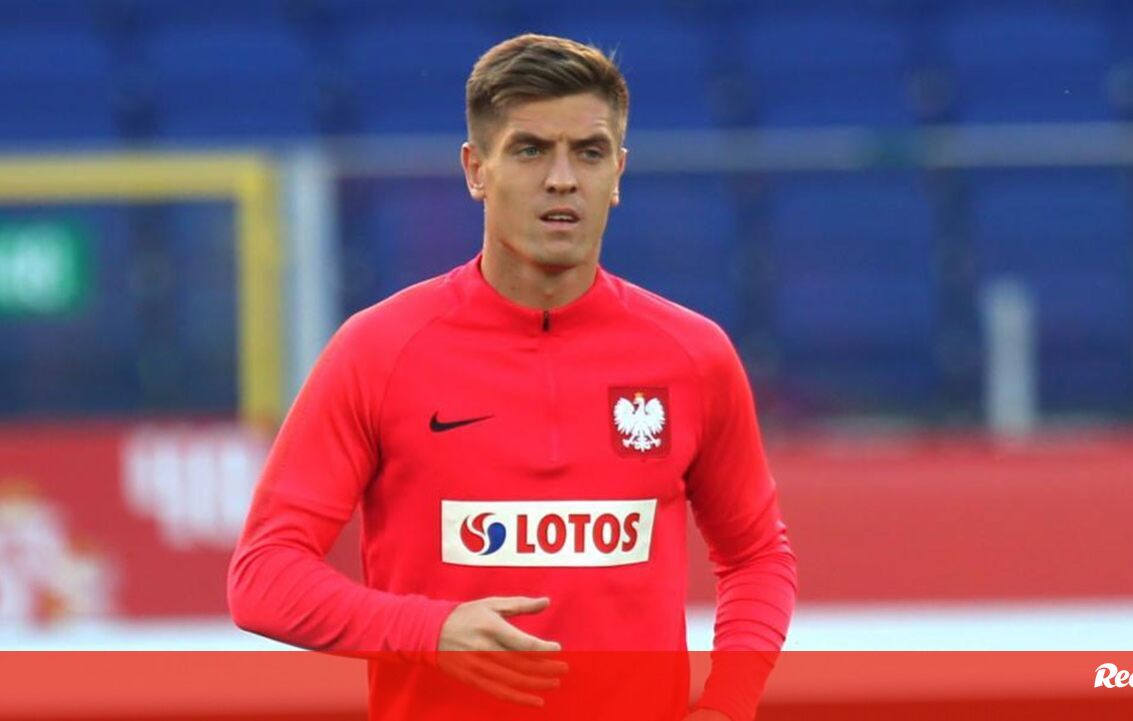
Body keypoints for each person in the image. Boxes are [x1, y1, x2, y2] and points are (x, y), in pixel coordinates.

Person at [228, 33, 796, 721]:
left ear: (618, 172)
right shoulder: (378, 351)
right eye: (530, 150)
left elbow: (757, 557)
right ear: (476, 169)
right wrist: (428, 630)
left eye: (589, 153)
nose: (562, 179)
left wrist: (728, 705)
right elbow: (263, 576)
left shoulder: (693, 355)